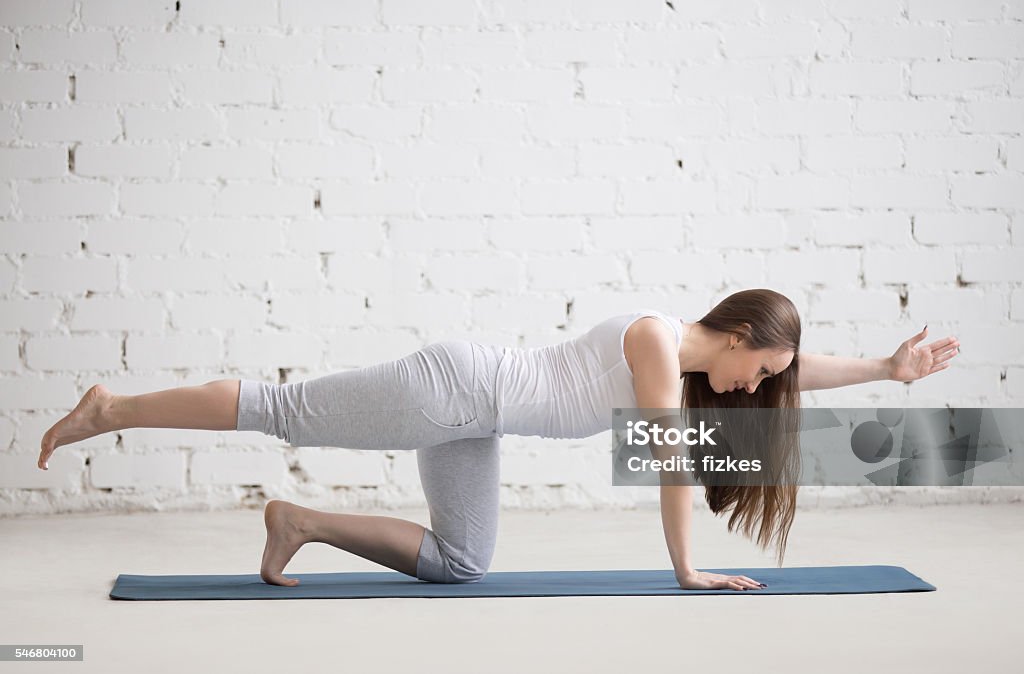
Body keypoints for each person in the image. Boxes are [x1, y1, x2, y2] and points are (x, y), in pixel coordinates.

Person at [35, 288, 960, 591]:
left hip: (477, 418)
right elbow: (673, 466)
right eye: (759, 372)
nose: (757, 392)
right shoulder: (652, 343)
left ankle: (297, 522)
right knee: (289, 409)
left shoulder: (685, 357)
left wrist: (885, 365)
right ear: (737, 338)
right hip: (453, 391)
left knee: (465, 561)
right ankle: (110, 407)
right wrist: (685, 568)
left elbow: (803, 370)